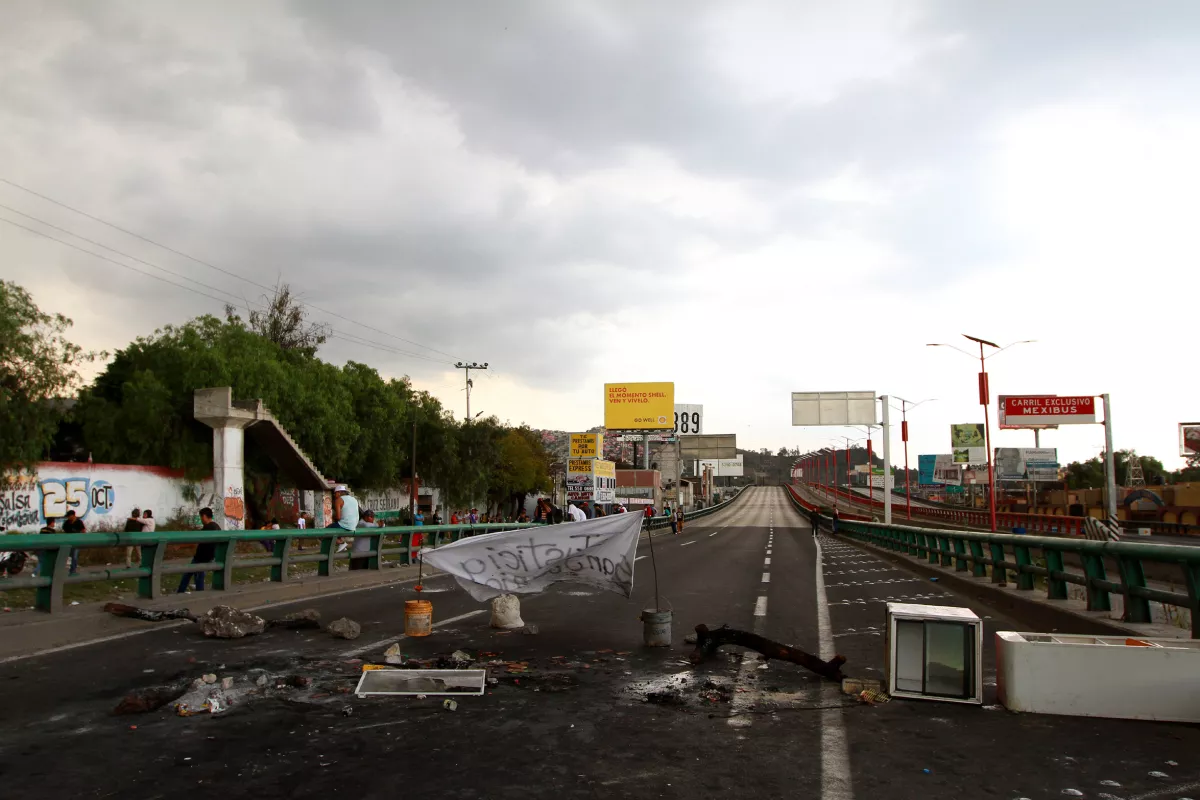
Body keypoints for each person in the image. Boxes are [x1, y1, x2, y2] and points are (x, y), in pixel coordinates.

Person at [177, 507, 219, 593]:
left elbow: (195, 541)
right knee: (190, 574)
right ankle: (182, 591)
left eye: (200, 517)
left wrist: (180, 546)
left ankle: (195, 593)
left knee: (196, 575)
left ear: (204, 516)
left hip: (201, 557)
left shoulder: (207, 528)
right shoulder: (217, 527)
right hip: (208, 556)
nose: (201, 519)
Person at [61, 509, 85, 575]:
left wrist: (81, 539)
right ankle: (60, 570)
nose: (68, 518)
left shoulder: (79, 522)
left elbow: (83, 531)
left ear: (72, 516)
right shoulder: (67, 523)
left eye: (69, 516)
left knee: (74, 556)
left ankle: (73, 570)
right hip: (68, 542)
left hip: (76, 542)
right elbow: (64, 530)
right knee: (65, 556)